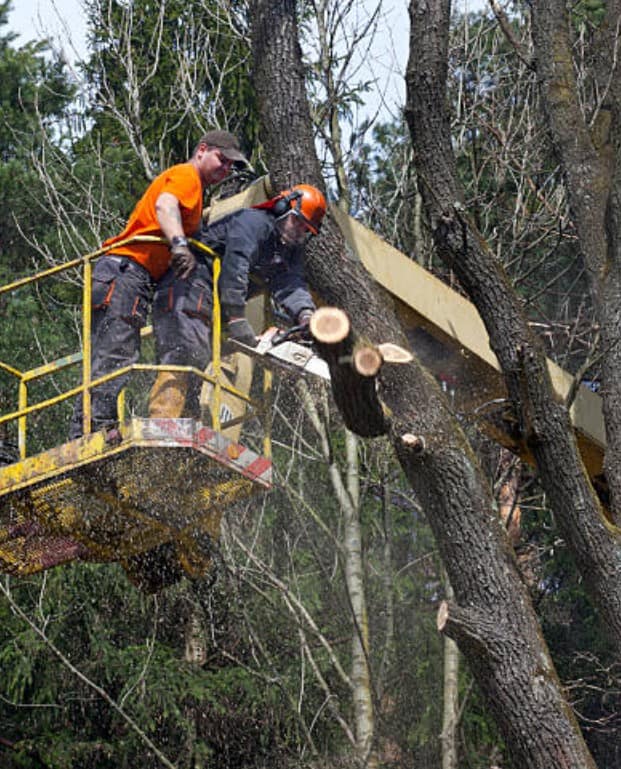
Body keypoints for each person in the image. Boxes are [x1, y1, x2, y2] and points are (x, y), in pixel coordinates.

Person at [69, 130, 248, 439]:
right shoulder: (187, 177)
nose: (226, 169)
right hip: (126, 271)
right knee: (116, 352)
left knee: (117, 352)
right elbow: (165, 206)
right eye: (222, 159)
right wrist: (179, 245)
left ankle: (97, 427)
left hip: (129, 276)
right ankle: (89, 433)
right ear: (202, 150)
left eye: (231, 165)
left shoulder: (196, 190)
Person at [147, 183, 327, 419]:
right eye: (298, 223)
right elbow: (235, 268)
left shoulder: (286, 250)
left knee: (201, 364)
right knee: (184, 353)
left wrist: (306, 315)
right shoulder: (252, 223)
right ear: (283, 207)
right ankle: (162, 422)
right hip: (189, 284)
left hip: (213, 301)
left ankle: (184, 427)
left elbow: (291, 282)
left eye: (305, 230)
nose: (299, 232)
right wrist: (237, 318)